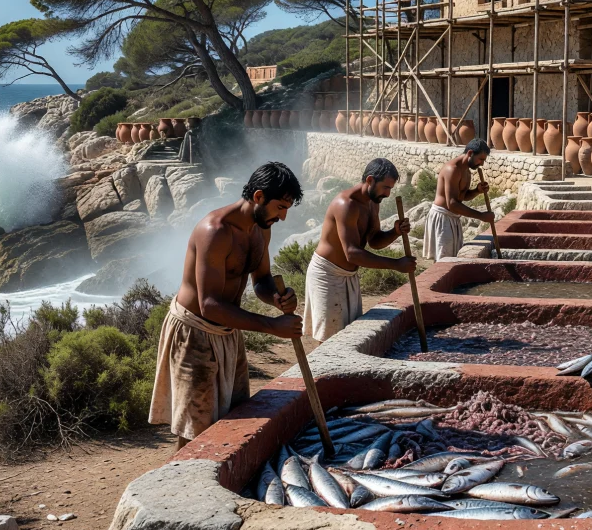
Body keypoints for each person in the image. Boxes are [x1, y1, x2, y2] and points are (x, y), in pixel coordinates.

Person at [148, 161, 305, 448]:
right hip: (194, 332)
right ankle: (183, 486)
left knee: (233, 416)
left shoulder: (261, 228)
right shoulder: (215, 231)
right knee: (196, 428)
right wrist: (272, 326)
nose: (282, 217)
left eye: (287, 209)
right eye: (280, 207)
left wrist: (277, 298)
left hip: (228, 330)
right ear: (259, 197)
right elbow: (209, 305)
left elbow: (262, 279)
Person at [305, 158, 415, 341]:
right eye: (385, 187)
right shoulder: (346, 204)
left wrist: (395, 232)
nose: (388, 194)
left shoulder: (373, 202)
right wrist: (396, 264)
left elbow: (374, 240)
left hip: (349, 277)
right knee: (330, 342)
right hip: (327, 275)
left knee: (348, 338)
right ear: (370, 180)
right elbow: (352, 253)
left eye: (390, 189)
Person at [423, 139, 495, 259]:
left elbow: (462, 196)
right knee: (443, 261)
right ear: (470, 153)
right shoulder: (452, 169)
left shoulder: (467, 171)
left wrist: (477, 191)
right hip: (443, 218)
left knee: (452, 258)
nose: (482, 164)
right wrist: (481, 216)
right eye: (481, 159)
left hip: (453, 218)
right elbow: (452, 204)